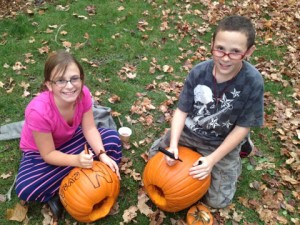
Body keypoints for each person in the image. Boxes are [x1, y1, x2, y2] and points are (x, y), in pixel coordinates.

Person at [148, 15, 264, 209]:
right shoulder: (199, 72)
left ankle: (241, 149)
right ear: (212, 43)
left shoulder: (253, 82)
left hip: (220, 141)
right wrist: (174, 144)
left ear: (249, 51)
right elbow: (181, 111)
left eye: (235, 52)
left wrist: (212, 160)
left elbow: (243, 126)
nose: (225, 58)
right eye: (220, 49)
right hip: (189, 132)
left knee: (217, 201)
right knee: (154, 159)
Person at [15, 50, 122, 220]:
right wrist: (76, 161)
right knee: (26, 188)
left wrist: (101, 154)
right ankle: (64, 190)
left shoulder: (83, 94)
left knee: (112, 139)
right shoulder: (38, 111)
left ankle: (100, 177)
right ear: (49, 85)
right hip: (40, 152)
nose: (69, 86)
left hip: (71, 140)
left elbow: (89, 129)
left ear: (81, 79)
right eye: (61, 81)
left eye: (74, 78)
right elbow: (48, 154)